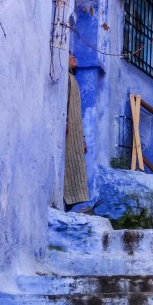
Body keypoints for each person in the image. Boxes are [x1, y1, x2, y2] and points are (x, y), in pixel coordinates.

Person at [64, 55, 90, 210]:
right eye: (70, 55)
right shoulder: (66, 79)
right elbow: (65, 102)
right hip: (69, 128)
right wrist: (66, 120)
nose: (74, 57)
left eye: (74, 55)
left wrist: (82, 139)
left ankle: (73, 198)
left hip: (75, 130)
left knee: (76, 162)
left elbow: (77, 113)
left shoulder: (73, 81)